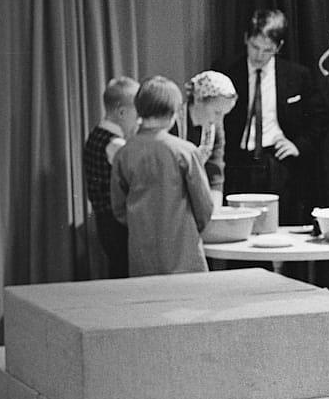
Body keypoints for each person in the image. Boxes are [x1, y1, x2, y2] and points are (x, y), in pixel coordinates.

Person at [217, 9, 327, 225]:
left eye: (267, 50)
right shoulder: (227, 72)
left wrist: (299, 145)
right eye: (254, 47)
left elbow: (321, 116)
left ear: (279, 47)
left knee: (283, 227)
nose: (259, 56)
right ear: (246, 39)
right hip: (239, 163)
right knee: (240, 231)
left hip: (277, 163)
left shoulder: (297, 76)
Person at [111, 76, 215, 276]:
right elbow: (204, 206)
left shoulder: (124, 152)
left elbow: (118, 207)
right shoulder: (185, 151)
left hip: (141, 252)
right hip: (184, 251)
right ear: (173, 112)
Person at [82, 76, 140, 278]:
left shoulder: (96, 134)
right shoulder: (116, 145)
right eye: (137, 112)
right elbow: (135, 179)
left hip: (104, 219)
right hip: (117, 222)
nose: (139, 119)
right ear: (122, 112)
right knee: (124, 270)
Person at [171, 70, 238, 207]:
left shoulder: (215, 129)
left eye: (224, 114)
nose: (219, 120)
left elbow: (215, 173)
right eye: (217, 112)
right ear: (198, 99)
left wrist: (214, 213)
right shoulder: (172, 123)